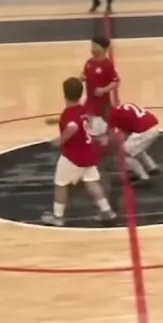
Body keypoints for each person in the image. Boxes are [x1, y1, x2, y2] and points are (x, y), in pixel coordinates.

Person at [42, 78, 117, 227]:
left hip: (73, 157)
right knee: (91, 182)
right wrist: (57, 121)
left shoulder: (69, 113)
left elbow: (72, 127)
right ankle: (107, 211)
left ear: (65, 94)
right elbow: (79, 122)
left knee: (61, 184)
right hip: (88, 153)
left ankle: (57, 217)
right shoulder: (83, 110)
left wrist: (60, 140)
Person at [108, 102, 162, 184]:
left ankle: (143, 177)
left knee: (125, 153)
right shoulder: (123, 107)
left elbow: (123, 134)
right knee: (135, 147)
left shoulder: (113, 116)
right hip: (154, 126)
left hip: (146, 131)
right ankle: (152, 167)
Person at [82, 35, 120, 119]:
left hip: (103, 106)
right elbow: (85, 75)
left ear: (103, 48)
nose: (92, 48)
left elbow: (116, 82)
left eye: (95, 46)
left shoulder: (107, 64)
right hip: (89, 103)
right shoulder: (89, 62)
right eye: (92, 46)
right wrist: (82, 77)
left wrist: (103, 90)